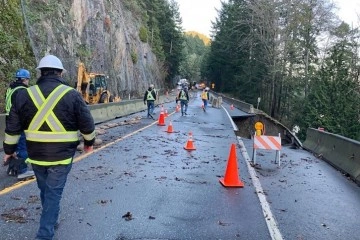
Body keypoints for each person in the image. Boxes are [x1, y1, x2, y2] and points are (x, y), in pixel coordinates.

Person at [3, 55, 95, 240]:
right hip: (61, 157)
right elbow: (87, 124)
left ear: (40, 72)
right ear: (60, 73)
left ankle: (50, 221)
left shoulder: (24, 95)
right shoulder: (72, 94)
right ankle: (45, 234)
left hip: (36, 156)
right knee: (53, 193)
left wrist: (9, 151)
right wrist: (88, 143)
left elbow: (12, 127)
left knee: (46, 190)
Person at [4, 68, 35, 179]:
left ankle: (13, 169)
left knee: (14, 147)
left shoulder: (11, 89)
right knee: (22, 146)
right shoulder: (22, 91)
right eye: (28, 79)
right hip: (18, 122)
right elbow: (24, 109)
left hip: (9, 121)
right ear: (25, 79)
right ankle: (22, 171)